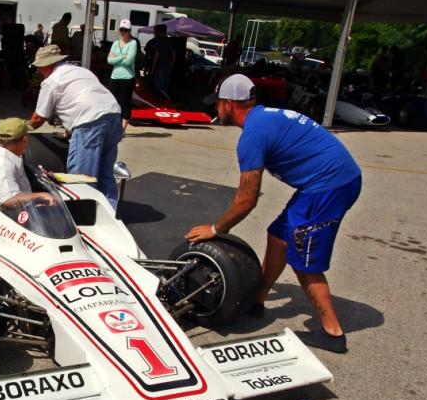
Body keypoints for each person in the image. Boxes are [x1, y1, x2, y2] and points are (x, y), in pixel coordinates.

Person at [187, 75, 362, 354]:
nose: (215, 109)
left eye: (217, 103)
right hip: (323, 183)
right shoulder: (263, 118)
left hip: (330, 186)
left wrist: (216, 229)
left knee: (304, 259)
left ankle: (333, 333)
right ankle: (258, 299)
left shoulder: (253, 136)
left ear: (229, 104)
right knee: (278, 236)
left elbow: (246, 200)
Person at [27, 45, 122, 206]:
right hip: (113, 116)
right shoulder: (82, 71)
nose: (39, 72)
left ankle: (81, 215)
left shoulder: (52, 81)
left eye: (39, 68)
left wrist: (20, 130)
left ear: (46, 66)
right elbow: (84, 98)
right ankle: (111, 213)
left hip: (90, 122)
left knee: (82, 177)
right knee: (105, 173)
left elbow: (38, 119)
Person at [0, 118, 57, 208]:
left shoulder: (9, 158)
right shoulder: (2, 164)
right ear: (24, 140)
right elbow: (9, 200)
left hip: (23, 212)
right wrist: (41, 195)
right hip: (9, 217)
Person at [107, 19, 137, 134]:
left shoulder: (133, 43)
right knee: (113, 102)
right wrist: (121, 57)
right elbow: (109, 60)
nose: (123, 32)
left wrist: (116, 59)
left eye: (125, 30)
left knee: (125, 102)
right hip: (115, 76)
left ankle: (122, 129)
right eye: (121, 30)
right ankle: (114, 126)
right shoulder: (115, 43)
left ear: (129, 31)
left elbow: (129, 61)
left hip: (128, 77)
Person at [149, 23, 175, 98]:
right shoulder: (170, 40)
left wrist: (152, 69)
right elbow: (174, 55)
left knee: (159, 88)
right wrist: (171, 66)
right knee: (165, 87)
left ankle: (159, 104)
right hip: (168, 67)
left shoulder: (158, 40)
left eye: (155, 30)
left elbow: (156, 55)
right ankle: (166, 103)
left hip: (159, 67)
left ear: (158, 31)